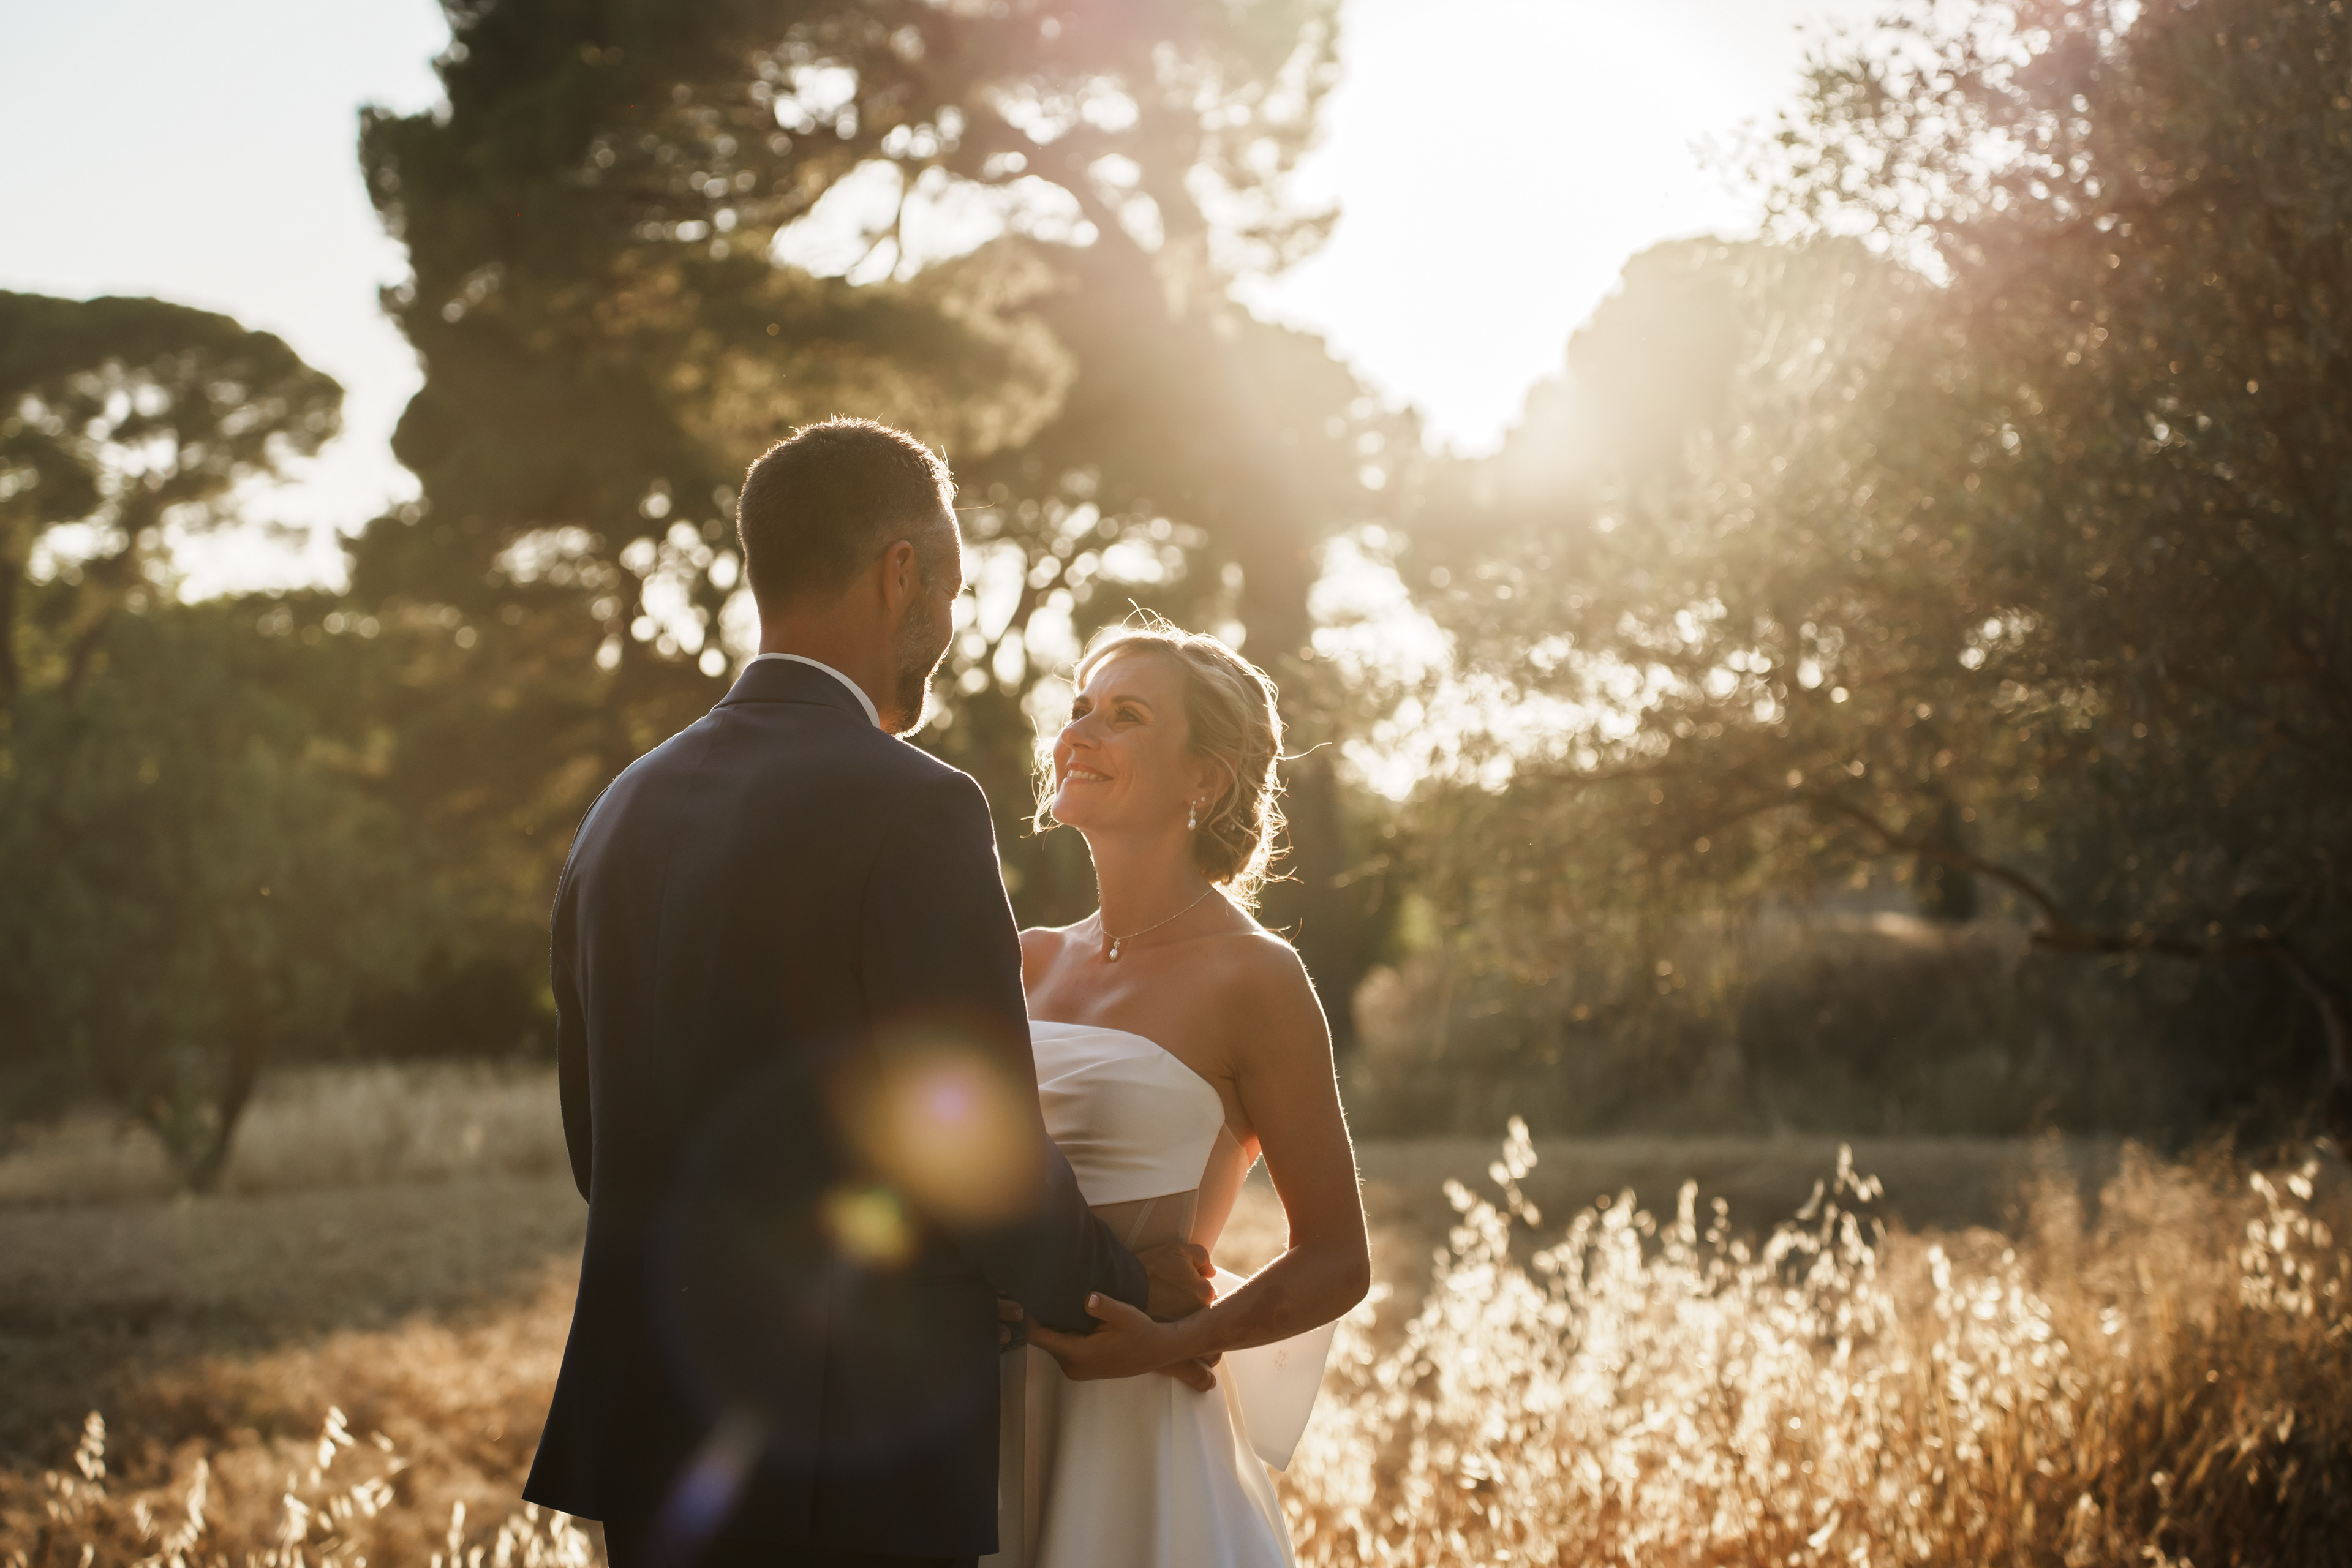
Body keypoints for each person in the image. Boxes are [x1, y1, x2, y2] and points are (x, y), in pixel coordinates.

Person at [522, 418, 1216, 1568]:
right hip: (843, 1456)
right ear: (903, 574)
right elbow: (977, 1143)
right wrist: (1117, 1276)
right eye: (947, 589)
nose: (947, 626)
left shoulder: (621, 812)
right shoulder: (914, 808)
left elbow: (600, 1147)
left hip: (651, 1437)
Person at [992, 621, 1373, 1567]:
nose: (1081, 732)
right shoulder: (1020, 957)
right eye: (1079, 708)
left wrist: (1178, 1340)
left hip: (1137, 1424)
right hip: (978, 1407)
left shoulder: (1257, 978)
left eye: (1125, 716)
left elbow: (1336, 1257)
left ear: (1207, 778)